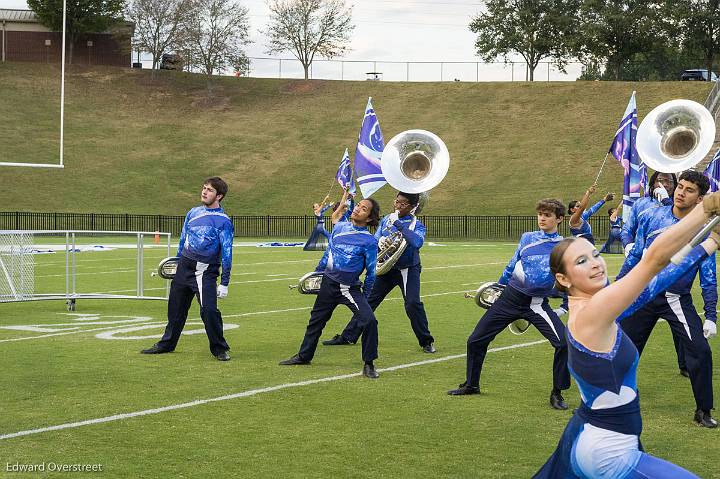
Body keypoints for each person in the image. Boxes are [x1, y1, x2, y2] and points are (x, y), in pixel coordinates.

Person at [533, 192, 720, 478]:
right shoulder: (594, 311)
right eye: (581, 262)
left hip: (594, 436)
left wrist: (712, 242)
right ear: (563, 278)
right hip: (608, 452)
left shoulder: (594, 307)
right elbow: (653, 261)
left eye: (595, 254)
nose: (596, 263)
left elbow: (657, 281)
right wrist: (705, 209)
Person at [448, 199, 571, 410]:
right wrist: (498, 288)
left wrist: (566, 304)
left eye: (548, 215)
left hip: (536, 304)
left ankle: (557, 393)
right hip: (509, 299)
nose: (542, 218)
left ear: (559, 219)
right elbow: (512, 264)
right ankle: (471, 384)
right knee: (475, 340)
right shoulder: (527, 238)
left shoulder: (564, 246)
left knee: (563, 343)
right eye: (540, 213)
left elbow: (568, 278)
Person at [616, 170, 717, 427]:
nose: (680, 192)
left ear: (699, 198)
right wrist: (618, 289)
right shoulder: (652, 216)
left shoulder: (704, 231)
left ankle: (703, 410)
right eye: (679, 186)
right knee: (621, 352)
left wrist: (711, 315)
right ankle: (605, 405)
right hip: (643, 296)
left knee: (700, 352)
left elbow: (707, 274)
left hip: (676, 299)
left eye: (689, 190)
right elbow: (635, 256)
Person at [279, 189, 382, 378]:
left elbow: (372, 273)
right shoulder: (340, 227)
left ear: (369, 219)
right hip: (329, 282)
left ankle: (369, 364)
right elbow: (328, 254)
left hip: (349, 288)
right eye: (358, 205)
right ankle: (304, 356)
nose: (358, 208)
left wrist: (365, 297)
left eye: (364, 208)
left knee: (369, 321)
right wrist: (316, 273)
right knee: (315, 322)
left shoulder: (369, 241)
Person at [322, 191, 436, 353]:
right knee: (367, 301)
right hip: (386, 268)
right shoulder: (386, 220)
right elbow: (375, 240)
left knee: (412, 303)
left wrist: (400, 225)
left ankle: (426, 341)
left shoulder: (416, 224)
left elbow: (417, 242)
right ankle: (348, 336)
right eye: (396, 201)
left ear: (411, 207)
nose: (397, 205)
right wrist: (381, 241)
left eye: (402, 204)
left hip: (407, 268)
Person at [141, 177, 234, 361]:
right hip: (184, 266)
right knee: (175, 309)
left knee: (208, 310)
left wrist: (224, 282)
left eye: (210, 190)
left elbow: (227, 253)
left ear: (219, 196)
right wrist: (175, 263)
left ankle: (220, 348)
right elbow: (183, 239)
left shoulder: (223, 222)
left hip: (204, 271)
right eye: (204, 188)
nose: (204, 192)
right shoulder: (193, 213)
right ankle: (167, 344)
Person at [621, 171, 678, 253]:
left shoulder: (679, 204)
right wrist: (628, 245)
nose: (665, 184)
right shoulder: (640, 203)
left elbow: (680, 223)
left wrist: (666, 201)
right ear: (653, 183)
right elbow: (627, 229)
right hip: (643, 256)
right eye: (661, 180)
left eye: (670, 181)